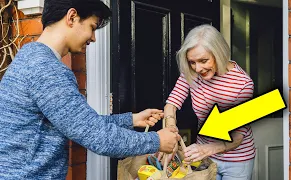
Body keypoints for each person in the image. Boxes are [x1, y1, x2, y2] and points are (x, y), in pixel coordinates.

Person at [0, 0, 180, 179]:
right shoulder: (47, 69)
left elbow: (80, 122)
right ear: (71, 17)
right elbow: (96, 135)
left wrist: (131, 120)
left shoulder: (31, 57)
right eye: (92, 27)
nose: (93, 38)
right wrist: (156, 141)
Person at [162, 24, 255, 180]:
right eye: (192, 62)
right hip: (204, 158)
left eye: (203, 60)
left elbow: (238, 136)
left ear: (218, 53)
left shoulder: (243, 84)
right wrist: (171, 131)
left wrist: (206, 149)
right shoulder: (190, 73)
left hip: (236, 162)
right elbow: (171, 104)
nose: (198, 68)